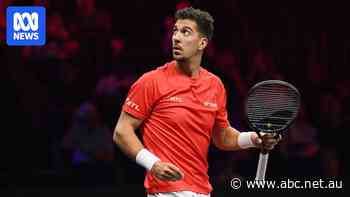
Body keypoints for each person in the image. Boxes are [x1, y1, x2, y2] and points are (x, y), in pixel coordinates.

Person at [113, 7, 281, 197]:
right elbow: (122, 131)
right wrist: (153, 164)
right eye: (175, 31)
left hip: (202, 190)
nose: (176, 37)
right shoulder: (150, 81)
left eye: (185, 32)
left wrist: (254, 139)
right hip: (165, 192)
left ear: (202, 43)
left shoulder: (215, 85)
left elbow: (222, 136)